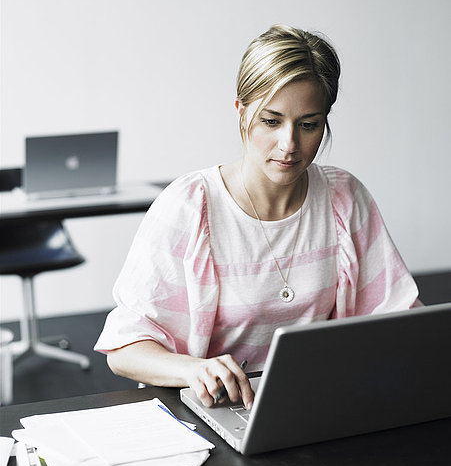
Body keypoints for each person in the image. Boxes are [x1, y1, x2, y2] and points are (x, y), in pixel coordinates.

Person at [95, 24, 420, 412]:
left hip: (317, 403)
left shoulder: (344, 196)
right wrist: (194, 369)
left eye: (308, 124)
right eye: (271, 121)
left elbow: (399, 319)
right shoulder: (189, 205)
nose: (289, 145)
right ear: (242, 111)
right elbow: (124, 348)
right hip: (216, 409)